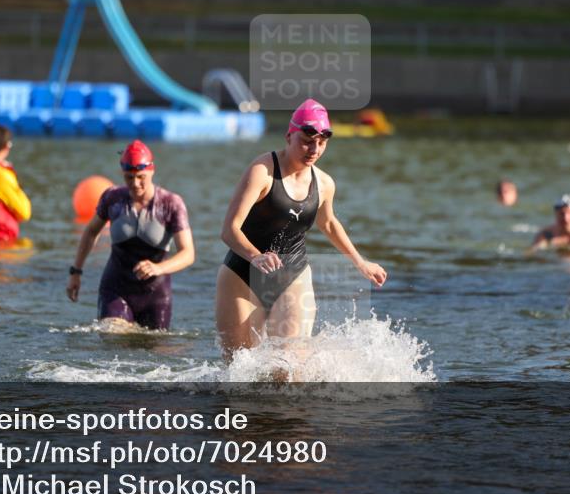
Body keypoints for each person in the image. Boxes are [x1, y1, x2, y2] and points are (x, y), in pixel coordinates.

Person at [215, 99, 388, 360]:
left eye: (321, 142)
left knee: (288, 365)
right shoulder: (262, 171)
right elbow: (229, 229)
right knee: (239, 368)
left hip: (292, 274)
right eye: (306, 141)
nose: (314, 149)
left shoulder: (325, 183)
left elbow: (328, 223)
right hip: (242, 274)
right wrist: (255, 255)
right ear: (288, 136)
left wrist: (360, 262)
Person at [66, 141, 194, 331]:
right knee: (114, 337)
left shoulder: (170, 203)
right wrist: (76, 272)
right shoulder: (112, 198)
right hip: (115, 288)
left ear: (152, 171)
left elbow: (188, 254)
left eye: (141, 177)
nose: (135, 184)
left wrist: (159, 268)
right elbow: (91, 231)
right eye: (129, 178)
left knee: (153, 352)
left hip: (155, 293)